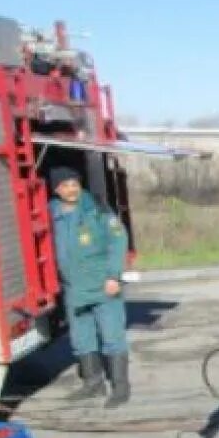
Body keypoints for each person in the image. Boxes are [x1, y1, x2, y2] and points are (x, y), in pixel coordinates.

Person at [48, 166, 131, 407]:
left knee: (112, 336)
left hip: (102, 284)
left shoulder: (97, 208)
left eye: (74, 184)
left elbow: (118, 239)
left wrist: (114, 276)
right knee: (81, 338)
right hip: (74, 288)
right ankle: (93, 383)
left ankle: (120, 387)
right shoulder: (51, 212)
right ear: (56, 190)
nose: (71, 189)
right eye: (65, 186)